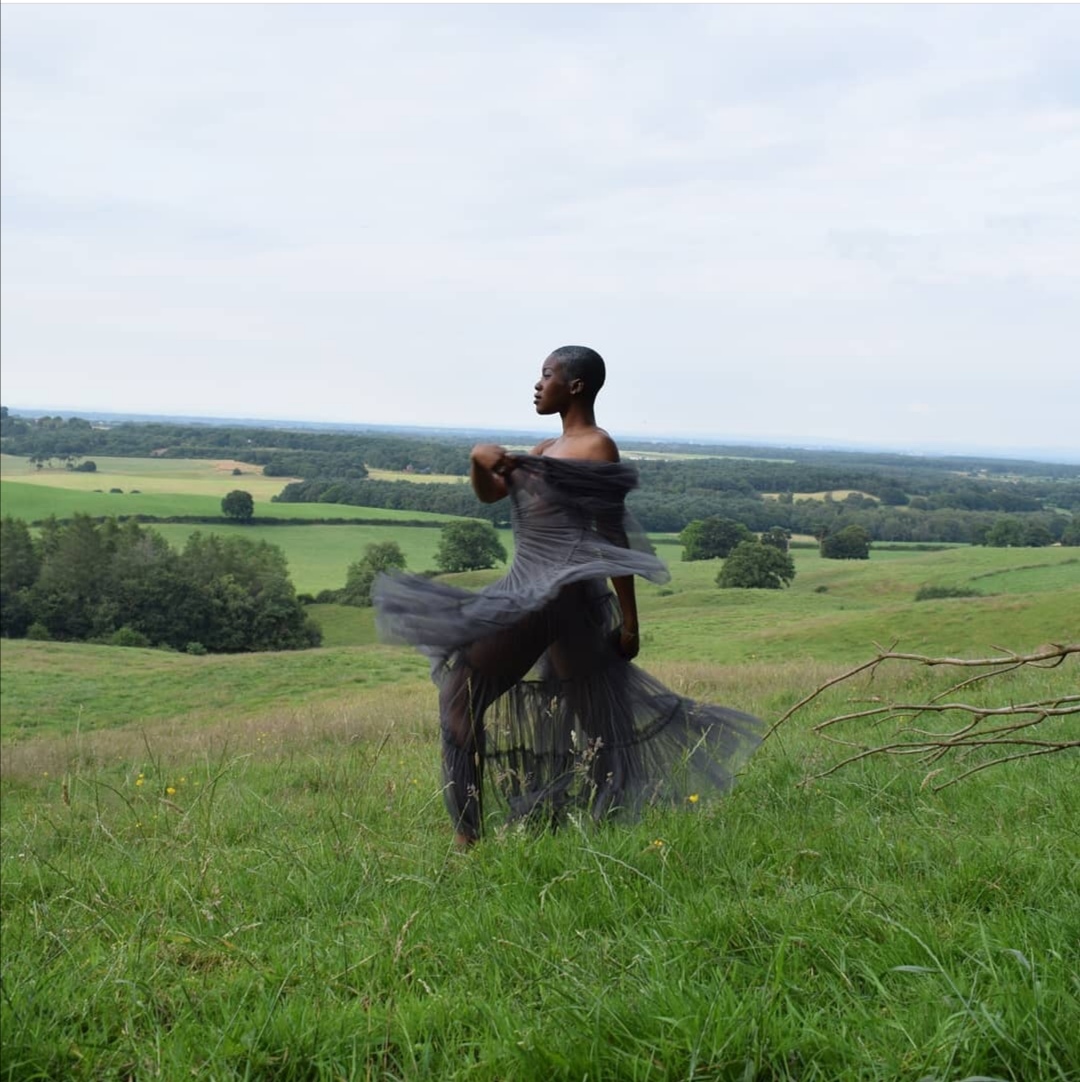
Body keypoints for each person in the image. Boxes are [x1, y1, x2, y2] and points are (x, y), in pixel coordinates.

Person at [373, 346, 765, 845]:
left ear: (576, 386)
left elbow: (611, 534)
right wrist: (478, 461)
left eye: (547, 375)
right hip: (565, 600)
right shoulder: (544, 449)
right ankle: (608, 822)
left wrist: (631, 623)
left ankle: (467, 841)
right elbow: (489, 493)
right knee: (596, 715)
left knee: (459, 700)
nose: (538, 385)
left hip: (543, 597)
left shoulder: (596, 446)